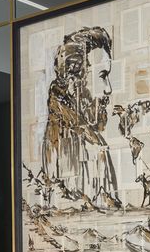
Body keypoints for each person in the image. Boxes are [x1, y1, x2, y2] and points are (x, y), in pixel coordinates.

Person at [41, 27, 118, 208]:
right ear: (76, 73)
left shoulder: (88, 132)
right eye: (103, 76)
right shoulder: (64, 132)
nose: (108, 89)